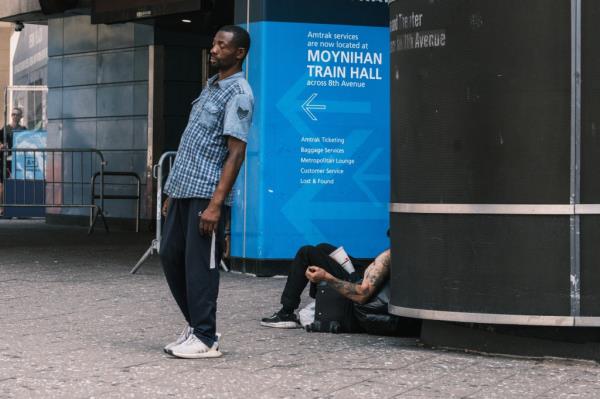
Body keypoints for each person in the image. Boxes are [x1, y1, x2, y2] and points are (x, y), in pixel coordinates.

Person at [159, 25, 254, 359]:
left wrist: (216, 205)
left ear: (239, 53)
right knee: (170, 255)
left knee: (200, 265)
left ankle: (206, 337)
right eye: (214, 43)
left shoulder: (239, 93)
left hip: (206, 194)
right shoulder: (212, 87)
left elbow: (236, 153)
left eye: (221, 45)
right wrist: (172, 193)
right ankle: (195, 326)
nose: (213, 49)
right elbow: (191, 144)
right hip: (185, 189)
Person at [261, 243, 391, 328]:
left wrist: (326, 277)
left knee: (306, 252)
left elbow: (363, 294)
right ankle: (319, 300)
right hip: (363, 275)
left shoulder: (386, 258)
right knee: (323, 248)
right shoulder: (395, 254)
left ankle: (286, 312)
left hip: (359, 284)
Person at [0, 107, 26, 216]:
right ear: (11, 115)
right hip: (5, 160)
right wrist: (1, 145)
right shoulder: (5, 129)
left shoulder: (24, 130)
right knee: (2, 185)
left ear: (21, 117)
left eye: (17, 114)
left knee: (17, 185)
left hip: (19, 161)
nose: (15, 116)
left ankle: (17, 209)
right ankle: (2, 208)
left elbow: (29, 142)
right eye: (13, 114)